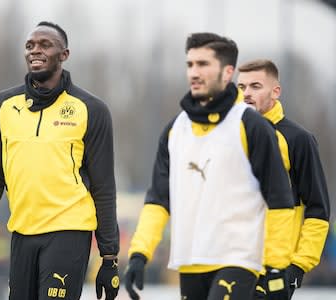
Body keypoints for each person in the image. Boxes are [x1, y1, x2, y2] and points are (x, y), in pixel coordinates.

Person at [124, 32, 295, 300]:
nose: (194, 72)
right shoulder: (174, 130)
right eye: (190, 64)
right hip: (189, 261)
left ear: (228, 72)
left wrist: (276, 267)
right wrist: (139, 254)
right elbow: (158, 200)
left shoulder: (251, 126)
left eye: (203, 64)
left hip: (239, 261)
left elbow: (281, 201)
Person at [0, 21, 120, 300]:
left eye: (45, 45)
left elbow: (103, 186)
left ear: (64, 54)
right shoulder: (3, 106)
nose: (35, 50)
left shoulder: (91, 109)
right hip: (21, 231)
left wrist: (109, 256)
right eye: (30, 46)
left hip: (69, 230)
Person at [237, 59, 330, 299]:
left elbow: (318, 211)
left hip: (274, 272)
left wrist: (298, 266)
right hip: (229, 266)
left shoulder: (299, 140)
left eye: (255, 86)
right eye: (241, 87)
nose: (246, 94)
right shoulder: (227, 138)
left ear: (275, 92)